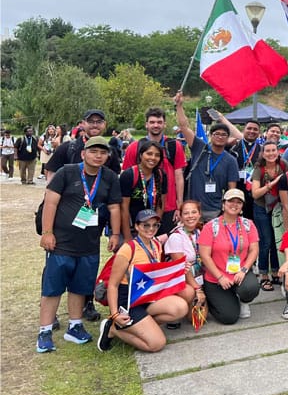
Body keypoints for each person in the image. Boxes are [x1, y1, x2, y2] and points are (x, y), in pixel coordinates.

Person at [37, 136, 121, 353]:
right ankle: (45, 331)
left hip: (89, 244)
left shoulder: (110, 177)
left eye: (103, 152)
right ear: (84, 154)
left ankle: (75, 326)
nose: (98, 155)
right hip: (61, 243)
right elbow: (51, 201)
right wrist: (47, 232)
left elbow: (114, 208)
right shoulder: (67, 172)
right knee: (53, 287)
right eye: (94, 151)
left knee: (80, 286)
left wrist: (115, 234)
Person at [45, 109, 121, 322]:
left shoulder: (109, 152)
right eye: (91, 121)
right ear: (83, 123)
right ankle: (51, 317)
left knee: (85, 271)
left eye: (99, 121)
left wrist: (114, 231)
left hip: (92, 224)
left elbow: (112, 193)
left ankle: (84, 308)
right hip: (64, 224)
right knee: (57, 272)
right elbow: (51, 175)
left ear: (105, 125)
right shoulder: (68, 147)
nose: (95, 124)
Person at [96, 210, 189, 352]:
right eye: (146, 225)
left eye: (155, 225)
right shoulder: (128, 249)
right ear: (137, 227)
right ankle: (113, 329)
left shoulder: (156, 245)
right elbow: (113, 285)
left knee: (180, 307)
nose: (151, 229)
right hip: (128, 300)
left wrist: (180, 269)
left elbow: (157, 274)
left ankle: (140, 326)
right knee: (157, 344)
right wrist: (115, 314)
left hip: (147, 295)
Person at [197, 189, 259, 324]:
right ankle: (214, 299)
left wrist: (244, 270)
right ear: (223, 204)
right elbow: (205, 255)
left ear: (242, 206)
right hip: (216, 277)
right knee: (229, 318)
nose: (234, 204)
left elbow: (254, 250)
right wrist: (220, 277)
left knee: (251, 289)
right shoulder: (210, 226)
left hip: (239, 273)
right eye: (231, 201)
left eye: (239, 202)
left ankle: (242, 300)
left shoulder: (248, 225)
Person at [175, 93, 239, 222]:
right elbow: (184, 127)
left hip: (215, 211)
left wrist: (228, 211)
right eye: (216, 134)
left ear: (228, 138)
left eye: (224, 135)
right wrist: (179, 106)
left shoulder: (231, 160)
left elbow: (232, 189)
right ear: (210, 135)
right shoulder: (199, 147)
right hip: (192, 209)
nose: (220, 137)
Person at [250, 141, 288, 291]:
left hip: (278, 206)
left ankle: (275, 271)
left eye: (274, 150)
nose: (271, 153)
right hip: (261, 207)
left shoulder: (283, 165)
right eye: (268, 151)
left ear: (278, 152)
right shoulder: (259, 168)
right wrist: (273, 184)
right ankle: (264, 274)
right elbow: (255, 193)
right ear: (263, 153)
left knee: (276, 240)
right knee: (265, 241)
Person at [162, 201, 206, 328]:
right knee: (188, 293)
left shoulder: (201, 232)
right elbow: (182, 267)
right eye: (186, 213)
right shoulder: (176, 236)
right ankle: (174, 313)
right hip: (183, 279)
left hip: (199, 275)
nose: (190, 216)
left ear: (199, 214)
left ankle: (189, 306)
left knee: (200, 320)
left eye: (194, 212)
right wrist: (198, 289)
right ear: (180, 216)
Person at [119, 139, 168, 241]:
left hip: (150, 229)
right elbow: (124, 208)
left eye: (157, 155)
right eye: (149, 154)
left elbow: (161, 204)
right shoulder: (129, 175)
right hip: (131, 228)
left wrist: (154, 228)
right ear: (141, 155)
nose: (153, 158)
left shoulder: (161, 175)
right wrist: (127, 236)